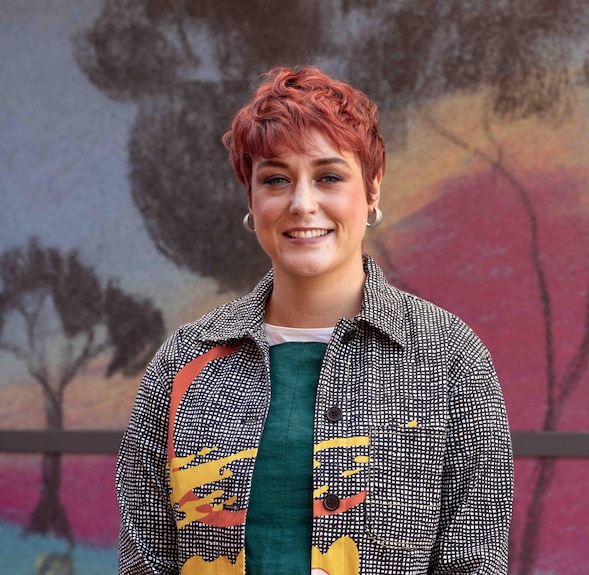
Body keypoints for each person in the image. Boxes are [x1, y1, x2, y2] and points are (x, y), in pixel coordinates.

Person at [116, 65, 513, 575]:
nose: (302, 204)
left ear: (372, 189)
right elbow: (143, 560)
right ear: (251, 199)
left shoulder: (449, 359)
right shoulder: (184, 361)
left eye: (329, 177)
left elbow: (474, 562)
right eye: (276, 179)